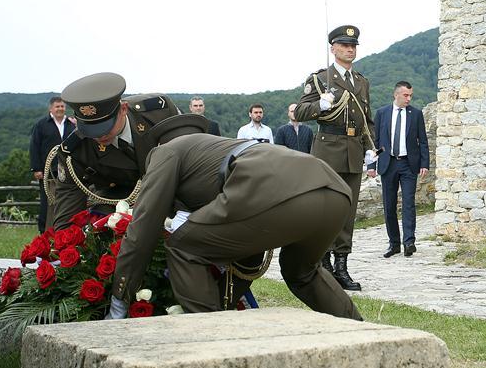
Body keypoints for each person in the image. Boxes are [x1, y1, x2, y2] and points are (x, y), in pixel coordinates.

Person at [108, 129, 361, 321]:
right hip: (334, 190)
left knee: (184, 246)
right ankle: (363, 333)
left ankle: (213, 341)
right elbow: (247, 255)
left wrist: (120, 298)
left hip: (272, 190)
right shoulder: (213, 150)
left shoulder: (164, 153)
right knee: (302, 273)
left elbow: (143, 228)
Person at [295, 24, 376, 291]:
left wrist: (370, 148)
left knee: (347, 210)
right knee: (327, 207)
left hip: (353, 149)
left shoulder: (361, 81)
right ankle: (324, 263)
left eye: (353, 46)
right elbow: (301, 112)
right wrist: (321, 104)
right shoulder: (320, 79)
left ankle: (342, 266)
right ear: (333, 49)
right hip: (328, 148)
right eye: (344, 45)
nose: (349, 49)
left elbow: (366, 119)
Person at [54, 72, 183, 230]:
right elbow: (67, 214)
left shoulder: (158, 112)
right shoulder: (75, 151)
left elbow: (190, 157)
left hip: (175, 198)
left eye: (105, 127)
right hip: (118, 214)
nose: (99, 135)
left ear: (123, 109)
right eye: (90, 129)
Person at [368, 81, 430, 258]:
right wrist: (372, 165)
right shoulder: (382, 113)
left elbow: (423, 141)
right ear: (396, 95)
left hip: (409, 164)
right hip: (388, 164)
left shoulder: (416, 114)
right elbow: (376, 143)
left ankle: (409, 242)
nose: (409, 98)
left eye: (411, 95)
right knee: (389, 205)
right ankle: (394, 243)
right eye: (406, 95)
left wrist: (424, 164)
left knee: (409, 204)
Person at [29, 97, 76, 232]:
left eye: (62, 106)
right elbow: (34, 146)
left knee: (67, 201)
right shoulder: (42, 125)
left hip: (68, 170)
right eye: (57, 107)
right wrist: (36, 168)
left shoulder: (71, 125)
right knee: (46, 202)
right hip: (47, 170)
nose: (60, 109)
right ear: (51, 109)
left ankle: (64, 230)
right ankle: (44, 231)